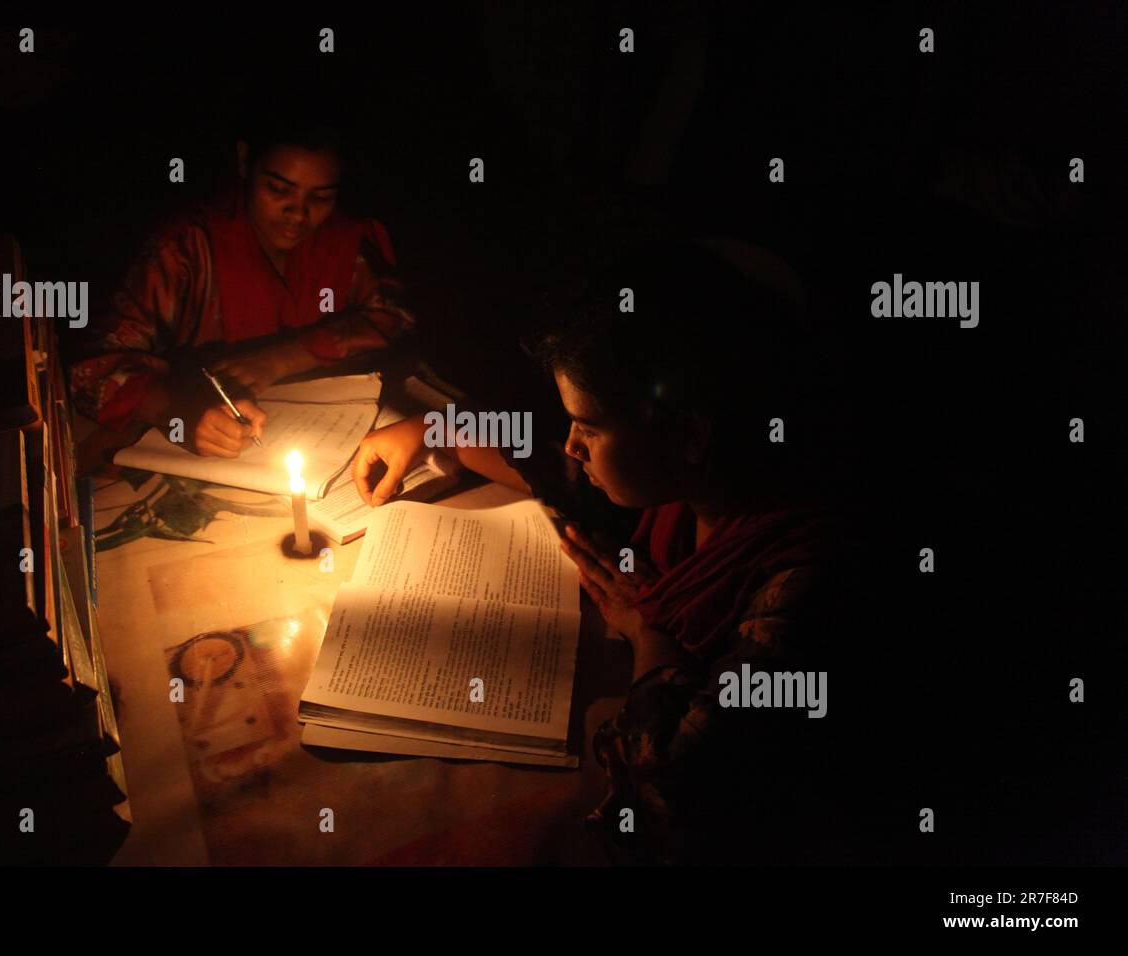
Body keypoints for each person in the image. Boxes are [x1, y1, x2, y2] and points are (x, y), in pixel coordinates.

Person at [350, 243, 871, 863]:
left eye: (589, 428)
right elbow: (547, 466)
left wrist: (648, 634)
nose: (572, 446)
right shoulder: (680, 495)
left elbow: (678, 781)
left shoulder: (799, 576)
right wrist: (428, 431)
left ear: (688, 434)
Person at [69, 118, 415, 459]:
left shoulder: (346, 240)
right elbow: (90, 370)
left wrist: (284, 359)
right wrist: (176, 412)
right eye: (278, 189)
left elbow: (394, 317)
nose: (298, 213)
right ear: (245, 160)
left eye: (321, 197)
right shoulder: (185, 250)